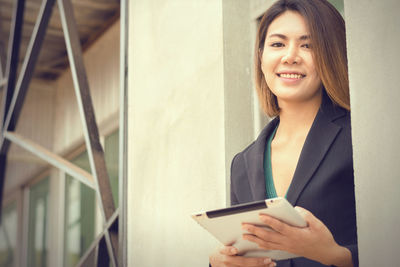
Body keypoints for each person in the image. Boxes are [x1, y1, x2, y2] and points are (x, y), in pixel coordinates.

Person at [209, 0, 357, 266]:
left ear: (332, 53)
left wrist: (335, 255)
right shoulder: (242, 164)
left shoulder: (360, 138)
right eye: (278, 44)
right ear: (261, 56)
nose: (290, 56)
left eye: (307, 44)